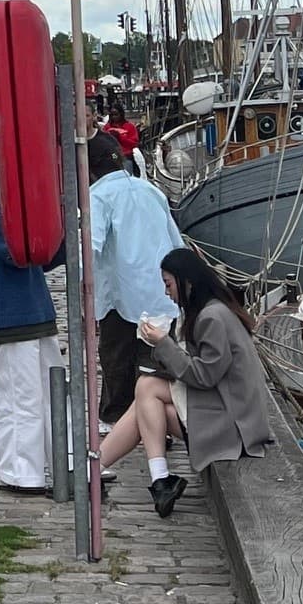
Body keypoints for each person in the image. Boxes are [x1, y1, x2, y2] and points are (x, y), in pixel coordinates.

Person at [101, 247, 273, 516]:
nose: (166, 292)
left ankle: (143, 476)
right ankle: (118, 473)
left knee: (146, 389)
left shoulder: (212, 317)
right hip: (229, 410)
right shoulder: (212, 310)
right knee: (146, 400)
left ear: (187, 282)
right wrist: (164, 349)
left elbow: (204, 376)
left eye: (168, 284)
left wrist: (163, 343)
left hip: (235, 425)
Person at [0, 143, 61, 494]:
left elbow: (44, 257)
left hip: (34, 307)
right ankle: (20, 470)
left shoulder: (5, 205)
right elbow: (15, 252)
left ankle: (61, 460)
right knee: (20, 395)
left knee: (49, 390)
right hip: (9, 311)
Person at [88, 133, 182, 424]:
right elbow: (176, 241)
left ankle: (118, 419)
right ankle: (156, 421)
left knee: (117, 359)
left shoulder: (98, 196)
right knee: (155, 363)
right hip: (160, 289)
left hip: (120, 292)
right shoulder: (151, 190)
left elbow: (91, 245)